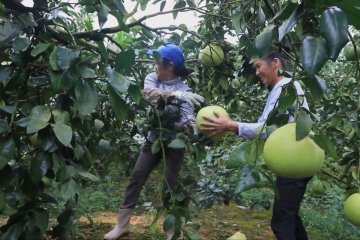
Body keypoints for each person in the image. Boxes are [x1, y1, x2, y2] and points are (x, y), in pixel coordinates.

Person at [200, 52, 312, 240]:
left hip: (295, 159)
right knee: (289, 215)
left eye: (258, 66)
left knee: (282, 221)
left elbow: (267, 129)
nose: (257, 72)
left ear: (275, 63)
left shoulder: (286, 87)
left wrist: (230, 125)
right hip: (296, 158)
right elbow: (269, 126)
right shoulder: (282, 88)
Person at [104, 43, 204, 240]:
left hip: (174, 142)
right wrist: (175, 95)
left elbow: (187, 117)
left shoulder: (186, 89)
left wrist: (194, 129)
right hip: (153, 140)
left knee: (170, 185)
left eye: (157, 61)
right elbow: (149, 94)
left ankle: (171, 232)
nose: (154, 64)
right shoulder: (153, 78)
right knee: (137, 177)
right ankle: (121, 225)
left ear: (170, 66)